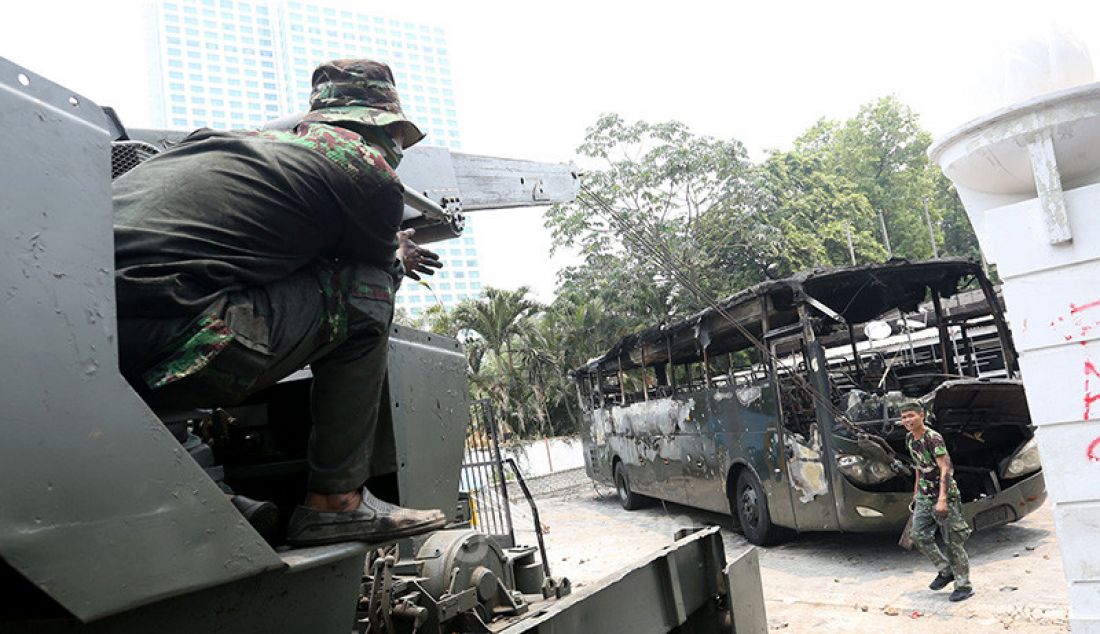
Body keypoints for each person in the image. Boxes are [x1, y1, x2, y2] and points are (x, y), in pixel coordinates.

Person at [113, 59, 447, 547]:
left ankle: (206, 493)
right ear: (387, 129)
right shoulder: (367, 170)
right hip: (172, 340)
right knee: (366, 292)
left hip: (81, 336)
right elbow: (372, 271)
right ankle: (336, 504)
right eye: (400, 140)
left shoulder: (218, 143)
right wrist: (395, 253)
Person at [900, 400, 974, 602]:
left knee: (953, 543)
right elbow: (918, 465)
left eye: (911, 416)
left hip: (945, 496)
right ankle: (945, 570)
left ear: (921, 415)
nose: (907, 420)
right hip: (925, 495)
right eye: (904, 417)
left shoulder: (933, 438)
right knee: (919, 535)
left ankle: (964, 586)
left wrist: (942, 499)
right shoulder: (909, 439)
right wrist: (916, 492)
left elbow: (945, 468)